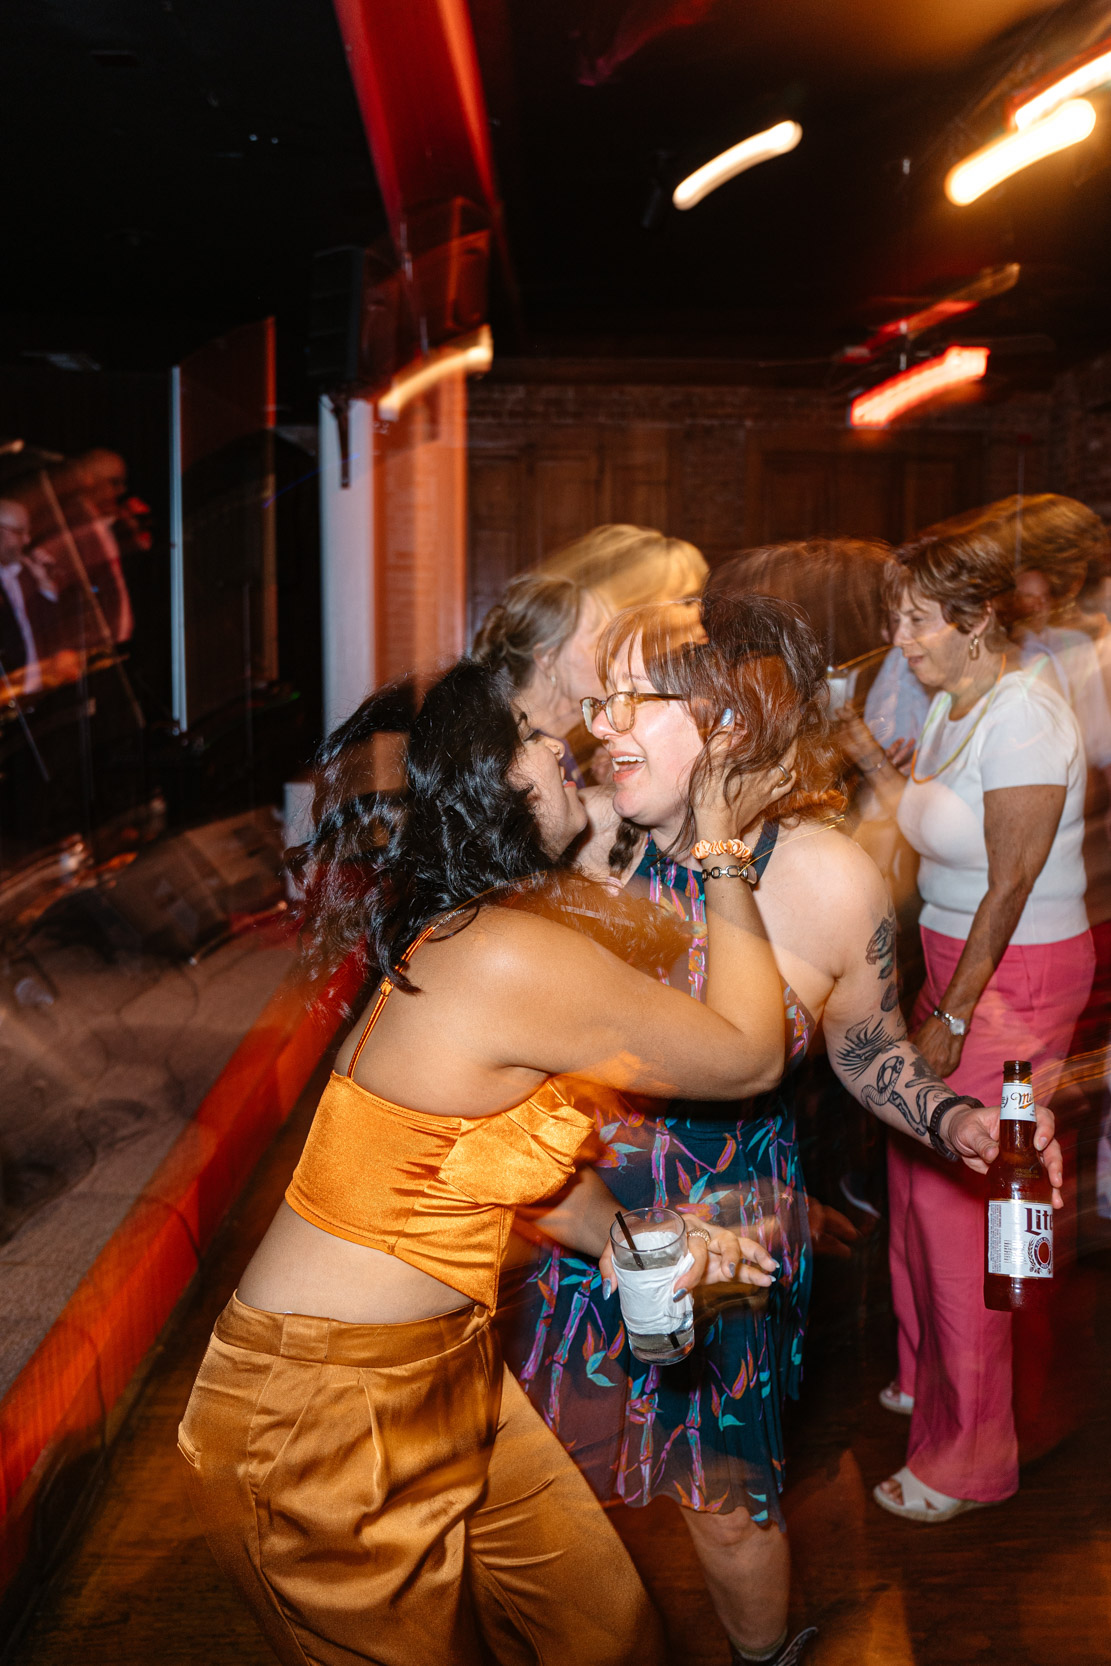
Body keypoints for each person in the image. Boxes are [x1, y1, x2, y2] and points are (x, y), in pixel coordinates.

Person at [178, 652, 802, 1666]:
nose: (576, 755)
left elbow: (493, 1164)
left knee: (609, 1635)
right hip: (319, 1417)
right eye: (550, 744)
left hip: (448, 1376)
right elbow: (747, 1053)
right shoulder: (500, 953)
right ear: (500, 779)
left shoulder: (495, 933)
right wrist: (725, 844)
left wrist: (634, 1234)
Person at [506, 594, 1065, 1665]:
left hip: (726, 1236)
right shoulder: (578, 846)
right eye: (604, 697)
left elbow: (863, 1046)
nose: (604, 724)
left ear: (730, 722)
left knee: (721, 1501)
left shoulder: (819, 877)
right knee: (542, 1493)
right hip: (565, 1207)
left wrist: (952, 1122)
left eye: (640, 700)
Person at [844, 521, 1094, 1521]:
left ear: (976, 617)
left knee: (967, 1214)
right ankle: (923, 1375)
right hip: (952, 958)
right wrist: (866, 761)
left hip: (1011, 974)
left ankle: (968, 1457)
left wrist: (949, 1014)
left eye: (914, 619)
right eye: (893, 617)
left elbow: (1010, 884)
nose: (899, 638)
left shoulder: (1028, 715)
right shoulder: (956, 701)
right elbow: (921, 816)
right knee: (913, 1178)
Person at [473, 523, 707, 781]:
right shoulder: (518, 764)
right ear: (547, 658)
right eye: (600, 644)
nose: (616, 664)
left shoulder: (564, 744)